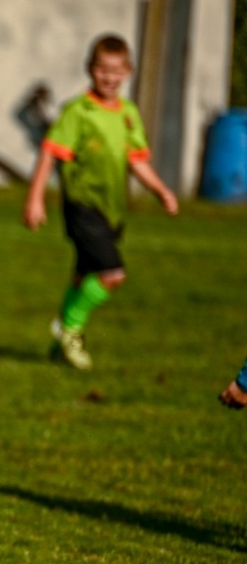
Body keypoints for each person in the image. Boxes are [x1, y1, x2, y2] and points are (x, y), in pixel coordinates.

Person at [23, 34, 178, 370]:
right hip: (82, 205)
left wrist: (160, 190)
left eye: (116, 71)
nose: (109, 78)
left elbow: (136, 160)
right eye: (102, 70)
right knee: (112, 274)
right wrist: (35, 199)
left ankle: (58, 345)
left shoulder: (128, 113)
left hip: (112, 208)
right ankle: (70, 329)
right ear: (90, 70)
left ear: (128, 72)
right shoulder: (78, 111)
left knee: (83, 276)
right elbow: (50, 152)